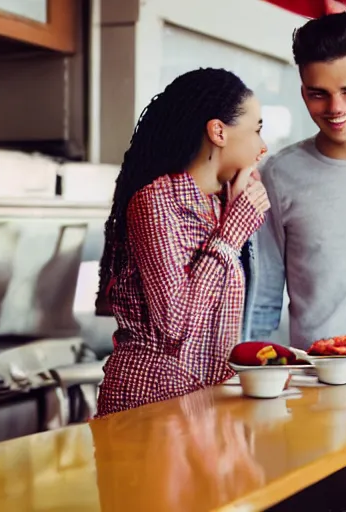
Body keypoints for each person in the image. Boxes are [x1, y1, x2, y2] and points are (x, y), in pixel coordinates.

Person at [95, 68, 269, 417]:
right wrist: (232, 232)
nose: (263, 147)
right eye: (256, 130)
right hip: (151, 400)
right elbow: (175, 325)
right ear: (219, 131)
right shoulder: (154, 202)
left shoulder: (221, 206)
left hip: (203, 406)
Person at [250, 11, 346, 350]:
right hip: (316, 383)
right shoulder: (277, 175)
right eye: (319, 93)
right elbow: (263, 301)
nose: (336, 107)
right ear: (303, 93)